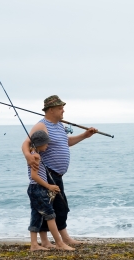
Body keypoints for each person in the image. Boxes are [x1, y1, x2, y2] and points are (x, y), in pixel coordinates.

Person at [22, 95, 97, 245]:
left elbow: (66, 142)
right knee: (54, 207)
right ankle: (60, 239)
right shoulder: (41, 126)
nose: (63, 110)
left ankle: (56, 239)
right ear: (51, 110)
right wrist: (27, 156)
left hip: (57, 174)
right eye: (60, 108)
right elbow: (27, 142)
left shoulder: (59, 125)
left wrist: (85, 135)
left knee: (56, 206)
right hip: (48, 173)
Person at [26, 130, 74, 251]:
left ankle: (34, 244)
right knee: (50, 215)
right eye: (46, 143)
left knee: (36, 215)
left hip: (33, 189)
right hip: (38, 188)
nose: (47, 145)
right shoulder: (36, 156)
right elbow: (34, 176)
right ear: (39, 144)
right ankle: (59, 243)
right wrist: (49, 186)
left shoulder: (34, 153)